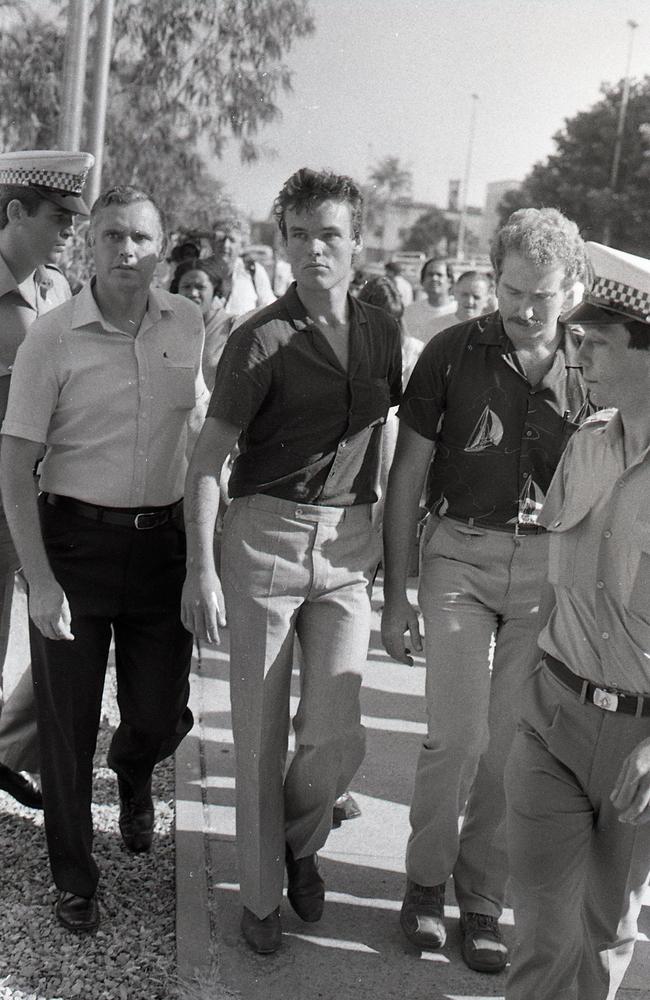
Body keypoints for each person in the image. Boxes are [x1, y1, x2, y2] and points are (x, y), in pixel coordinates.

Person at [182, 167, 402, 955]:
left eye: (331, 234)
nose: (316, 249)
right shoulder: (260, 338)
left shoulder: (380, 328)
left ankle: (298, 843)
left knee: (338, 735)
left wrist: (390, 555)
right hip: (264, 540)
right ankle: (263, 896)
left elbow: (389, 434)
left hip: (347, 545)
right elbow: (208, 460)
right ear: (283, 241)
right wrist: (200, 568)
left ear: (356, 242)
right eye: (301, 234)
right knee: (259, 730)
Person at [381, 207, 594, 973]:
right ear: (493, 276)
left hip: (546, 569)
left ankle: (481, 898)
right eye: (509, 289)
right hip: (459, 559)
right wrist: (397, 592)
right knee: (458, 735)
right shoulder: (448, 352)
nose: (522, 309)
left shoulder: (589, 362)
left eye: (541, 294)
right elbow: (406, 474)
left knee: (512, 745)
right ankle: (423, 883)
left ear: (571, 290)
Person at [0, 185, 208, 933]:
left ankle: (134, 768)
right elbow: (15, 462)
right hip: (75, 548)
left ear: (162, 243)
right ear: (91, 242)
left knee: (156, 712)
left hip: (162, 548)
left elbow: (201, 435)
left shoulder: (188, 323)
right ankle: (74, 877)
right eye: (113, 235)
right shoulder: (50, 337)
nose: (128, 251)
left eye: (141, 238)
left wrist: (202, 558)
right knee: (66, 724)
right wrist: (41, 578)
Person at [504, 242, 650, 999]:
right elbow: (552, 591)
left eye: (597, 341)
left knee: (603, 934)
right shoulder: (586, 444)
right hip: (554, 716)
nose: (579, 352)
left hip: (639, 744)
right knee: (542, 933)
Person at [0, 149, 93, 811]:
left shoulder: (56, 290)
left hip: (30, 494)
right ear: (14, 211)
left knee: (33, 626)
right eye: (59, 216)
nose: (70, 230)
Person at [170, 256, 236, 391]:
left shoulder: (232, 326)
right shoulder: (167, 328)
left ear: (215, 290)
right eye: (186, 286)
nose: (193, 293)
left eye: (200, 287)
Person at [210, 208, 275, 315]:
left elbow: (270, 308)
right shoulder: (201, 271)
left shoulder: (253, 270)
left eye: (232, 240)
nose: (225, 245)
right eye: (220, 239)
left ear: (241, 245)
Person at [403, 257, 457, 344]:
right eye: (430, 274)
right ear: (422, 281)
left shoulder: (458, 310)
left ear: (450, 281)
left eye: (439, 275)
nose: (434, 278)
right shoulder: (409, 312)